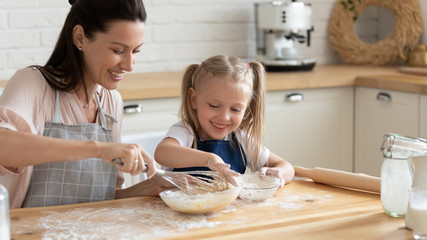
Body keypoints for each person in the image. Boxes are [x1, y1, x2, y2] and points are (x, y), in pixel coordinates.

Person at [0, 0, 172, 209]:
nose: (129, 65)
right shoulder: (33, 83)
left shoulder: (110, 101)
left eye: (136, 51)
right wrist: (97, 149)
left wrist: (148, 188)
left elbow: (103, 197)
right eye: (118, 50)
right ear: (80, 37)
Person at [154, 55, 295, 187]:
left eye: (235, 109)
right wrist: (210, 160)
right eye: (214, 106)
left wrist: (279, 173)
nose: (224, 117)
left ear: (247, 107)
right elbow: (162, 152)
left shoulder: (241, 139)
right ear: (194, 99)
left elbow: (286, 166)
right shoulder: (185, 131)